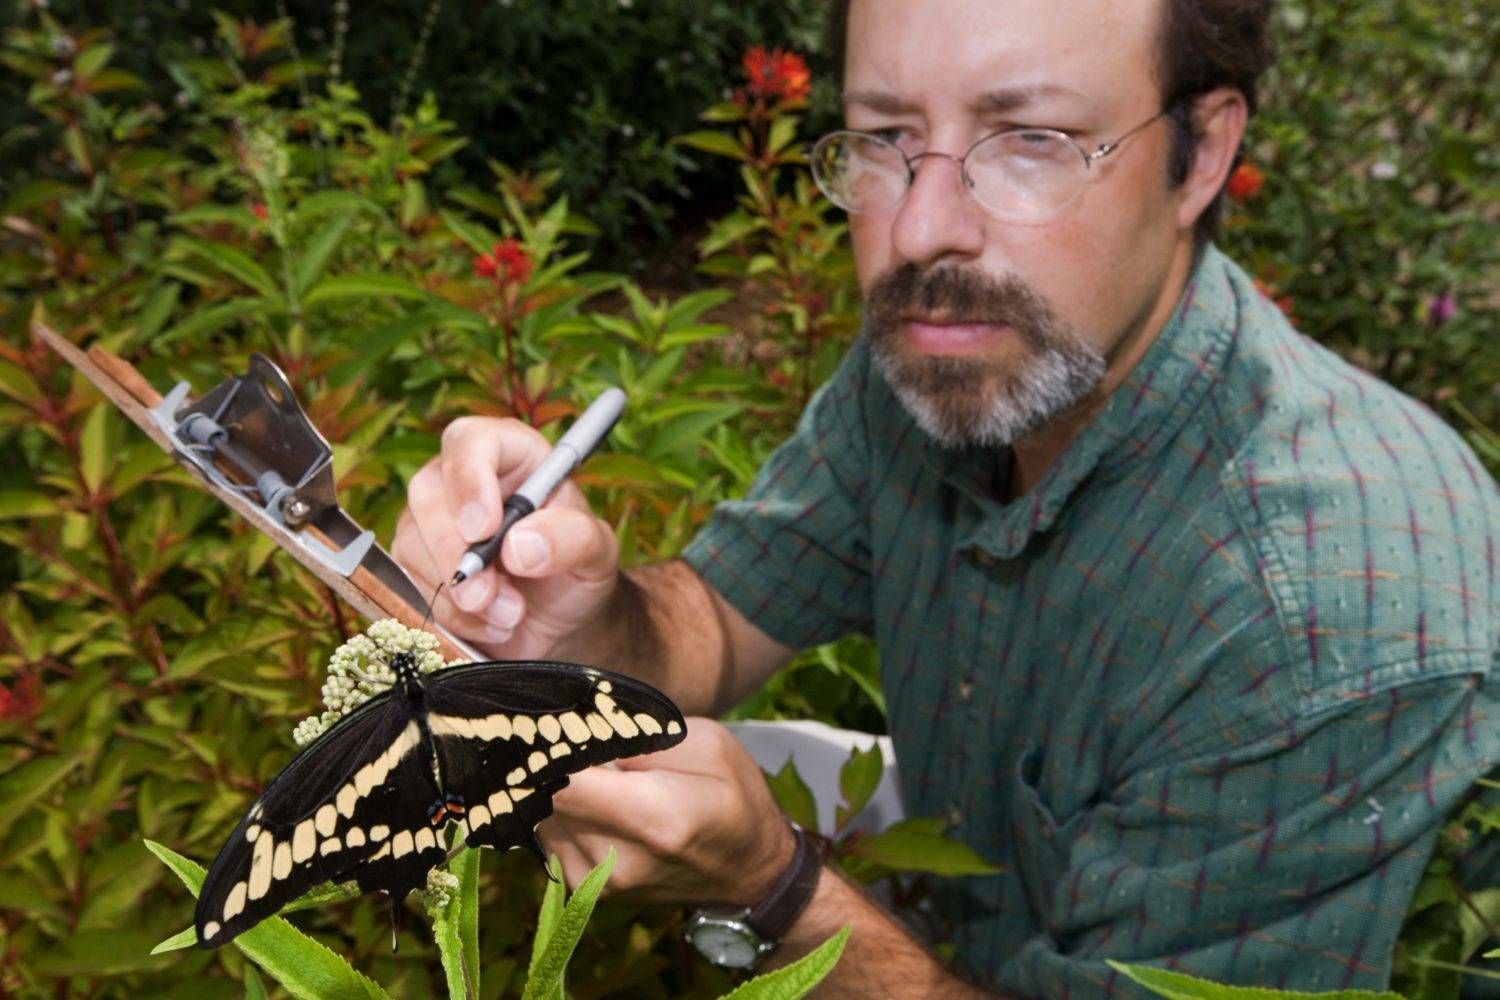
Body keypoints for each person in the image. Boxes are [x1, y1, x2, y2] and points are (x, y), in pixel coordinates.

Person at [393, 0, 1499, 993]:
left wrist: (773, 890)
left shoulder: (1310, 622)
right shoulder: (952, 359)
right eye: (884, 139)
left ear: (1203, 153)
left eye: (1030, 140)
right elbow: (717, 618)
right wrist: (583, 619)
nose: (919, 231)